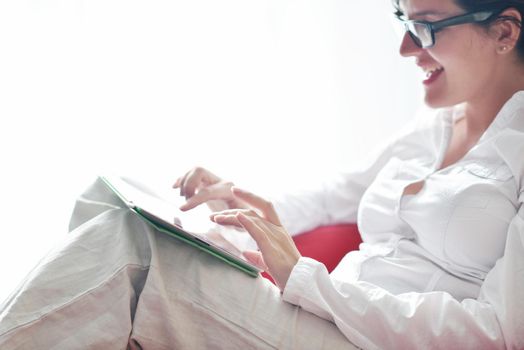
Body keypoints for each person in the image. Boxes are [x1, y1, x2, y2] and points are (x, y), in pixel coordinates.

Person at [1, 0, 524, 348]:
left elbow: (500, 331)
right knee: (111, 202)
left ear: (504, 31)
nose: (405, 48)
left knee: (127, 246)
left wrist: (304, 277)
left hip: (355, 335)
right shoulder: (432, 123)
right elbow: (333, 196)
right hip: (325, 308)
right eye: (401, 21)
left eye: (424, 25)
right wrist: (237, 206)